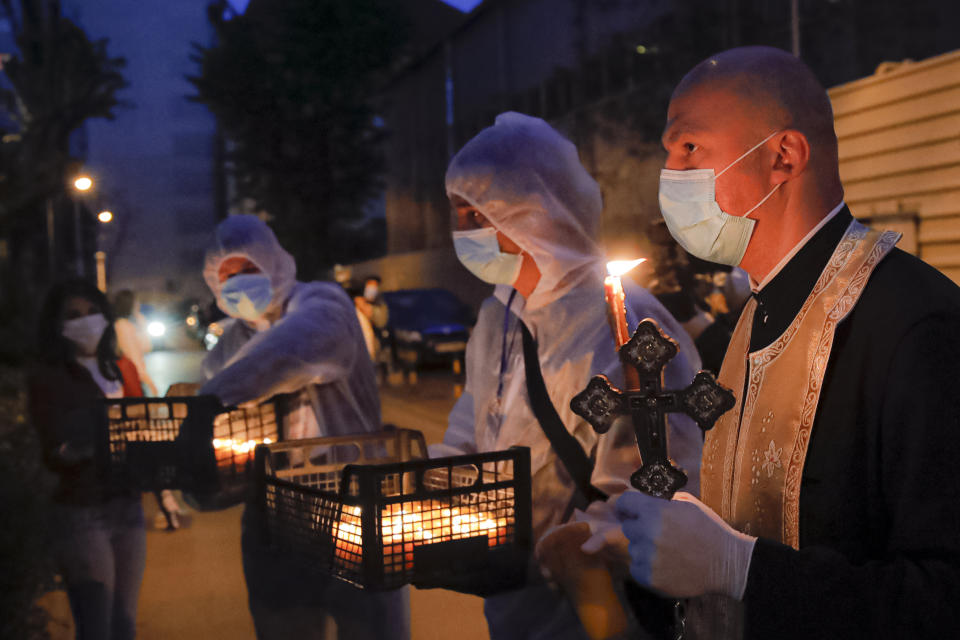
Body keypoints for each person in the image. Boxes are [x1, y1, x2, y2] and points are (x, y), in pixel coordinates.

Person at [595, 46, 960, 639]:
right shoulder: (749, 323)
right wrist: (652, 555)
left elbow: (943, 600)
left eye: (688, 148)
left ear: (782, 156)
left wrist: (742, 570)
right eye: (667, 154)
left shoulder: (916, 325)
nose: (670, 176)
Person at [436, 112, 703, 640]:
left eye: (476, 215)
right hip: (514, 605)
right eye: (457, 215)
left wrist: (580, 548)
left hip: (598, 617)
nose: (462, 233)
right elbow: (470, 438)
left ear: (535, 213)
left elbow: (665, 485)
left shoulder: (625, 323)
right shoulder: (498, 319)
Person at [198, 214, 409, 640]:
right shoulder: (224, 351)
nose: (238, 281)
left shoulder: (324, 304)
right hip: (273, 520)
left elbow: (291, 351)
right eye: (227, 275)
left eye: (248, 269)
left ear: (274, 263)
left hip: (353, 506)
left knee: (371, 627)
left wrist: (207, 404)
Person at [27, 279, 146, 640]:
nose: (86, 321)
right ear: (58, 325)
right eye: (74, 315)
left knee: (124, 623)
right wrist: (87, 443)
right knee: (96, 626)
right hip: (82, 512)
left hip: (129, 506)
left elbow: (143, 426)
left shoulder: (122, 369)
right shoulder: (49, 377)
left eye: (93, 312)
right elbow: (55, 450)